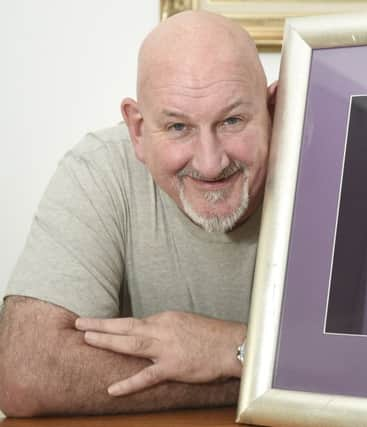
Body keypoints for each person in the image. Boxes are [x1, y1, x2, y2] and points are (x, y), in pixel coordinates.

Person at [0, 10, 276, 417]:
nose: (211, 162)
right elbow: (26, 371)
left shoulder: (334, 172)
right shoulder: (100, 169)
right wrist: (259, 373)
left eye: (232, 120)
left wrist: (229, 348)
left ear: (273, 111)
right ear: (138, 130)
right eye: (179, 127)